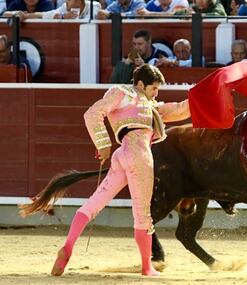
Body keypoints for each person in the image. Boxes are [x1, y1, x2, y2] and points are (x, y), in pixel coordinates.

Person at [50, 64, 191, 277]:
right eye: (154, 88)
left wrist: (104, 144)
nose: (156, 93)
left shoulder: (133, 98)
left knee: (93, 203)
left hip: (121, 156)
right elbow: (92, 113)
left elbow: (181, 109)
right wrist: (102, 144)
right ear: (141, 84)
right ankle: (147, 267)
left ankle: (68, 247)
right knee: (143, 214)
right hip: (140, 156)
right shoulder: (129, 95)